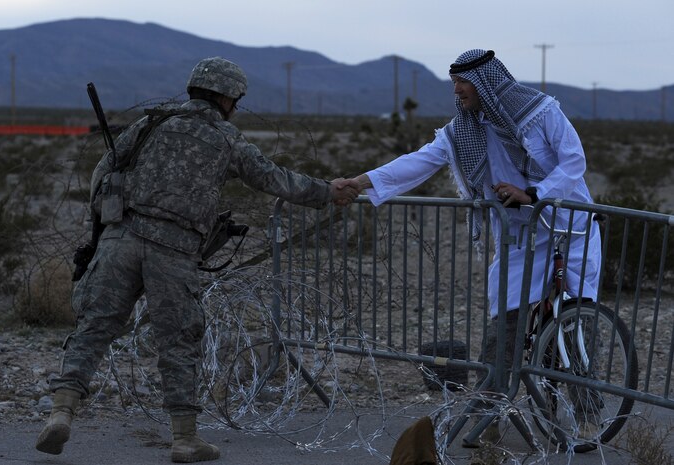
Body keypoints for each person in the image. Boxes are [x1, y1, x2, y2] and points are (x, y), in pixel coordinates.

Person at [35, 57, 359, 462]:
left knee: (93, 329)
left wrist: (106, 224)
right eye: (236, 100)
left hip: (121, 239)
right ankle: (185, 439)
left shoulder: (151, 123)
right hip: (173, 250)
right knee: (178, 342)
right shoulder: (226, 138)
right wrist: (328, 192)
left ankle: (61, 413)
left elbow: (105, 171)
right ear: (226, 98)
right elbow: (273, 178)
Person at [349, 49, 601, 446]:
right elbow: (417, 162)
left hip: (569, 232)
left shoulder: (541, 111)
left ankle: (588, 417)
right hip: (519, 240)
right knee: (502, 330)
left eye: (463, 82)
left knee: (574, 329)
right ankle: (490, 415)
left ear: (485, 81)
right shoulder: (461, 131)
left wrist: (533, 193)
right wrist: (360, 182)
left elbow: (573, 162)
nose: (457, 91)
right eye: (454, 84)